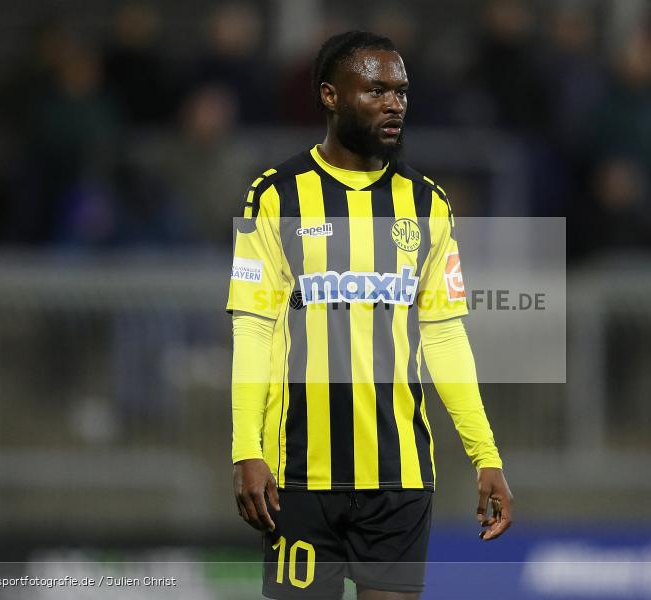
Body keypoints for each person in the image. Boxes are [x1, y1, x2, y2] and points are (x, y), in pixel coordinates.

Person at [226, 31, 513, 600]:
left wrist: (486, 456)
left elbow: (444, 335)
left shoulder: (428, 204)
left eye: (400, 92)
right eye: (376, 90)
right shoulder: (276, 196)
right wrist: (246, 449)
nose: (394, 104)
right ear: (330, 95)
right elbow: (253, 328)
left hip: (399, 478)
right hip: (299, 474)